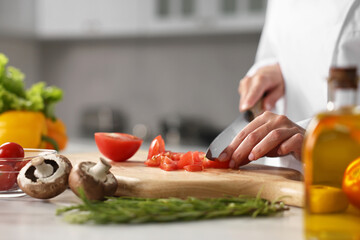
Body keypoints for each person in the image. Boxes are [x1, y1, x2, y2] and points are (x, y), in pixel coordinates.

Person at [219, 0, 360, 169]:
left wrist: (317, 141)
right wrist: (274, 70)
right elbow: (275, 48)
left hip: (346, 176)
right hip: (279, 180)